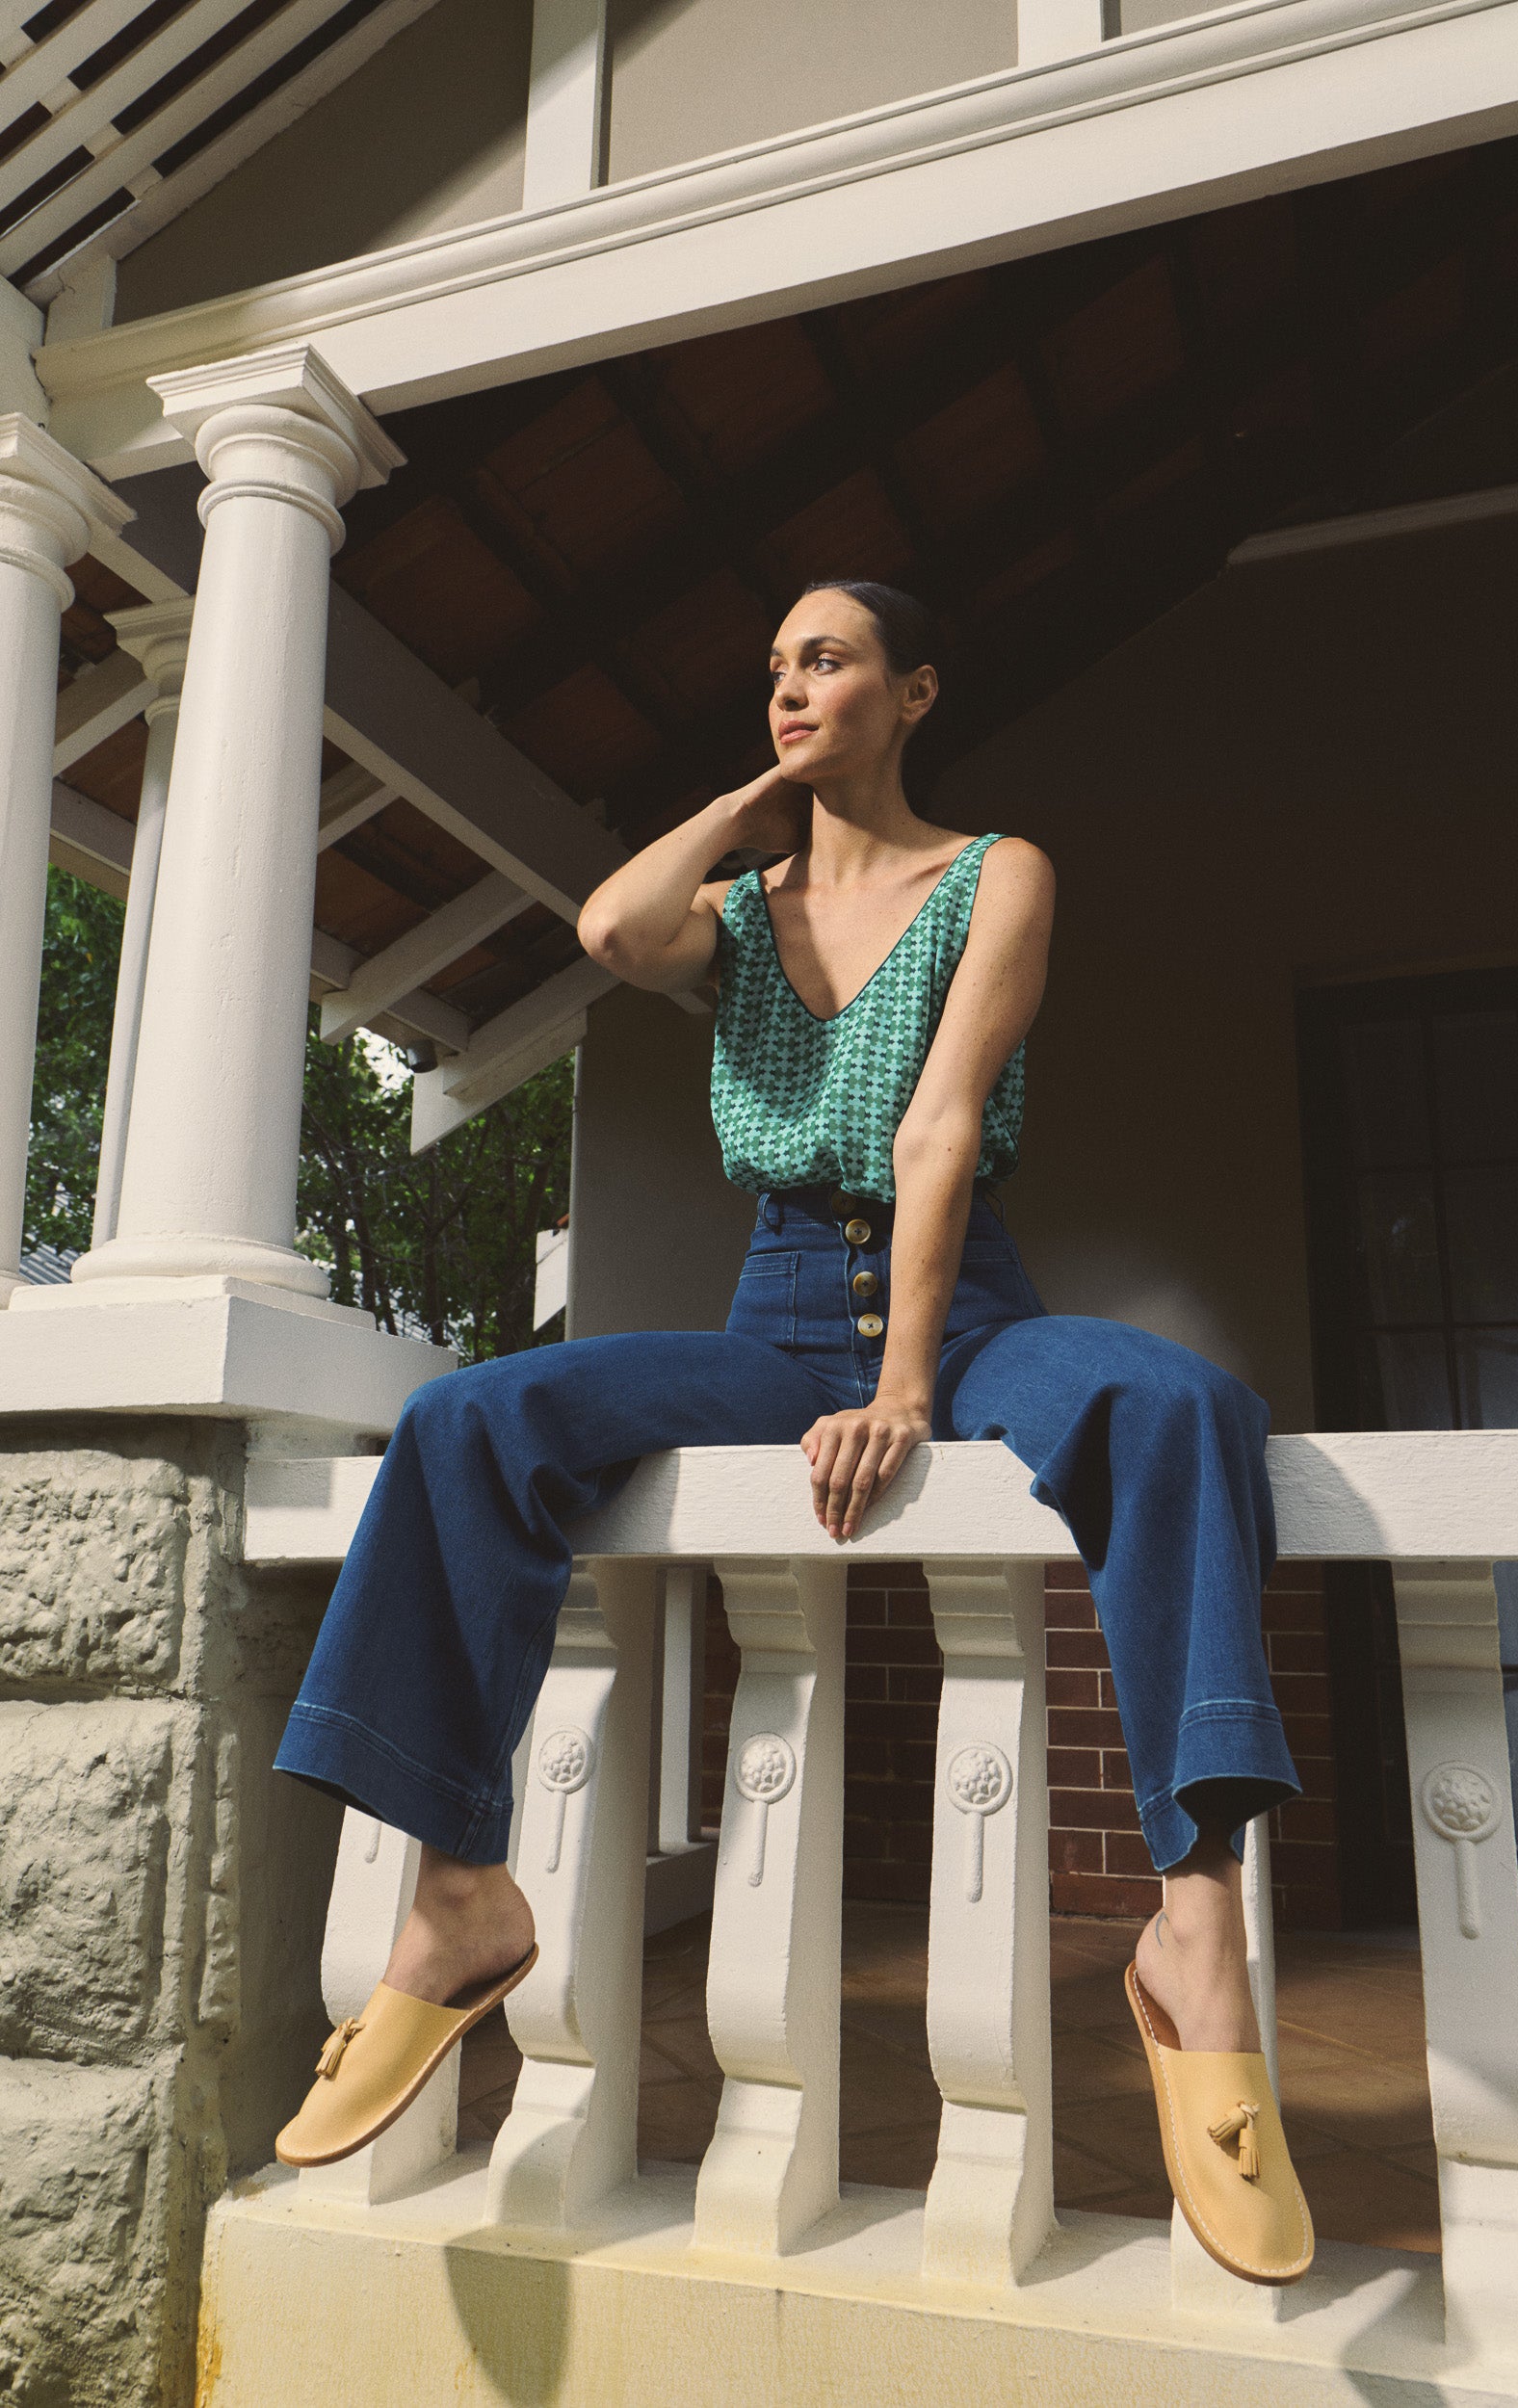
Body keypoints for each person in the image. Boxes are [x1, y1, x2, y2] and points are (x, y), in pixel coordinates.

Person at [271, 580, 1312, 2284]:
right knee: (467, 1420)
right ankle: (461, 1894)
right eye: (771, 670)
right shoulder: (740, 912)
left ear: (914, 690)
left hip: (962, 1301)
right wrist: (748, 812)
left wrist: (906, 1382)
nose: (789, 689)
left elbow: (942, 1126)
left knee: (1181, 1402)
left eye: (825, 662)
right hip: (768, 1312)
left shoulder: (998, 875)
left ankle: (1196, 1933)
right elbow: (613, 933)